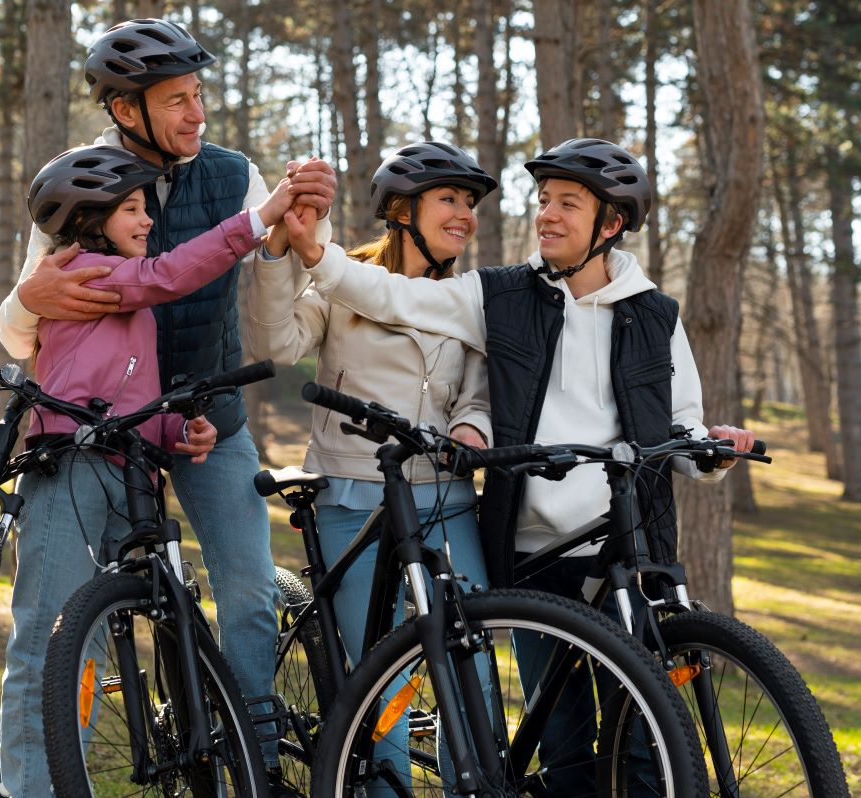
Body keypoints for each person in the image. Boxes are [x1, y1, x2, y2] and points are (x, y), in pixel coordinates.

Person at [282, 137, 755, 794]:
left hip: (626, 548)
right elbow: (393, 296)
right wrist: (316, 254)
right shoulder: (499, 295)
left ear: (610, 224)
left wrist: (712, 452)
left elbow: (682, 426)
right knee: (563, 741)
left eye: (567, 203)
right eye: (544, 201)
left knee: (648, 741)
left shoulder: (655, 316)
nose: (547, 215)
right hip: (534, 556)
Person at [0, 19, 336, 797]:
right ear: (125, 110)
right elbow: (19, 335)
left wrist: (285, 242)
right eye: (176, 100)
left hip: (207, 424)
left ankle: (253, 764)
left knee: (248, 594)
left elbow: (273, 313)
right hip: (103, 437)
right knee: (68, 620)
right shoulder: (78, 185)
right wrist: (28, 296)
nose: (195, 113)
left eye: (198, 96)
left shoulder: (235, 173)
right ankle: (22, 779)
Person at [247, 141, 497, 794]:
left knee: (472, 663)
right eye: (451, 199)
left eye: (469, 203)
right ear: (401, 209)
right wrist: (277, 253)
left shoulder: (471, 301)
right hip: (352, 499)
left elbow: (478, 392)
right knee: (381, 672)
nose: (465, 215)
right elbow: (274, 342)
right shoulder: (341, 280)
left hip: (446, 499)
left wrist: (472, 426)